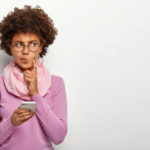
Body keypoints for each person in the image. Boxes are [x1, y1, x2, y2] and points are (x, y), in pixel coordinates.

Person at [0, 5, 67, 150]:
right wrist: (11, 122)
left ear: (41, 47)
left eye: (32, 44)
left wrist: (35, 93)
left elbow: (59, 136)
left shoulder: (56, 83)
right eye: (19, 44)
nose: (25, 51)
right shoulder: (0, 85)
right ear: (10, 47)